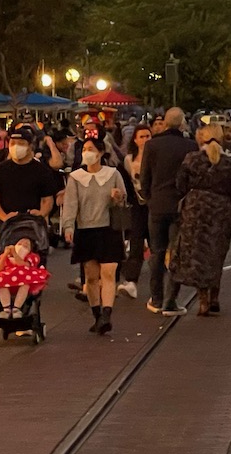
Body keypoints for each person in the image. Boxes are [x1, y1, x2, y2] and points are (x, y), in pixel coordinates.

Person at [170, 124, 231, 317]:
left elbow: (180, 184)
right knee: (216, 254)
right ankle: (215, 296)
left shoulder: (191, 159)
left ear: (201, 138)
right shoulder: (228, 163)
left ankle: (203, 300)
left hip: (196, 210)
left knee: (198, 255)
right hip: (220, 210)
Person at [61, 140, 127, 334]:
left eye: (91, 149)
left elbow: (123, 199)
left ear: (100, 154)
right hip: (86, 231)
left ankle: (107, 314)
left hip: (109, 230)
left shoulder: (112, 174)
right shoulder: (76, 177)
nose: (87, 153)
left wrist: (117, 197)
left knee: (108, 273)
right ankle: (97, 314)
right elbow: (71, 203)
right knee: (91, 277)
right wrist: (68, 226)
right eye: (84, 150)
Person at [140, 108, 195, 316]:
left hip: (157, 205)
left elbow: (145, 177)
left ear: (164, 123)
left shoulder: (152, 145)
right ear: (182, 123)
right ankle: (171, 300)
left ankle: (156, 298)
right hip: (181, 205)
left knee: (157, 251)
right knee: (176, 253)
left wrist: (149, 198)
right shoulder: (190, 146)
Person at [119, 125, 152, 300]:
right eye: (142, 136)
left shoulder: (156, 158)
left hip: (154, 204)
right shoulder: (128, 160)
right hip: (138, 205)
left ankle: (158, 284)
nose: (145, 139)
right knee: (136, 240)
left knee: (156, 243)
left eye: (148, 136)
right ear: (135, 139)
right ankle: (131, 281)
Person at [0, 232, 50, 318]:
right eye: (20, 244)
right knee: (1, 282)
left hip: (23, 279)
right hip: (8, 279)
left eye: (26, 245)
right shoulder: (7, 257)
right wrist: (5, 254)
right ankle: (6, 308)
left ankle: (16, 308)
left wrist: (15, 254)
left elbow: (23, 264)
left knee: (25, 285)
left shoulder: (32, 257)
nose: (22, 246)